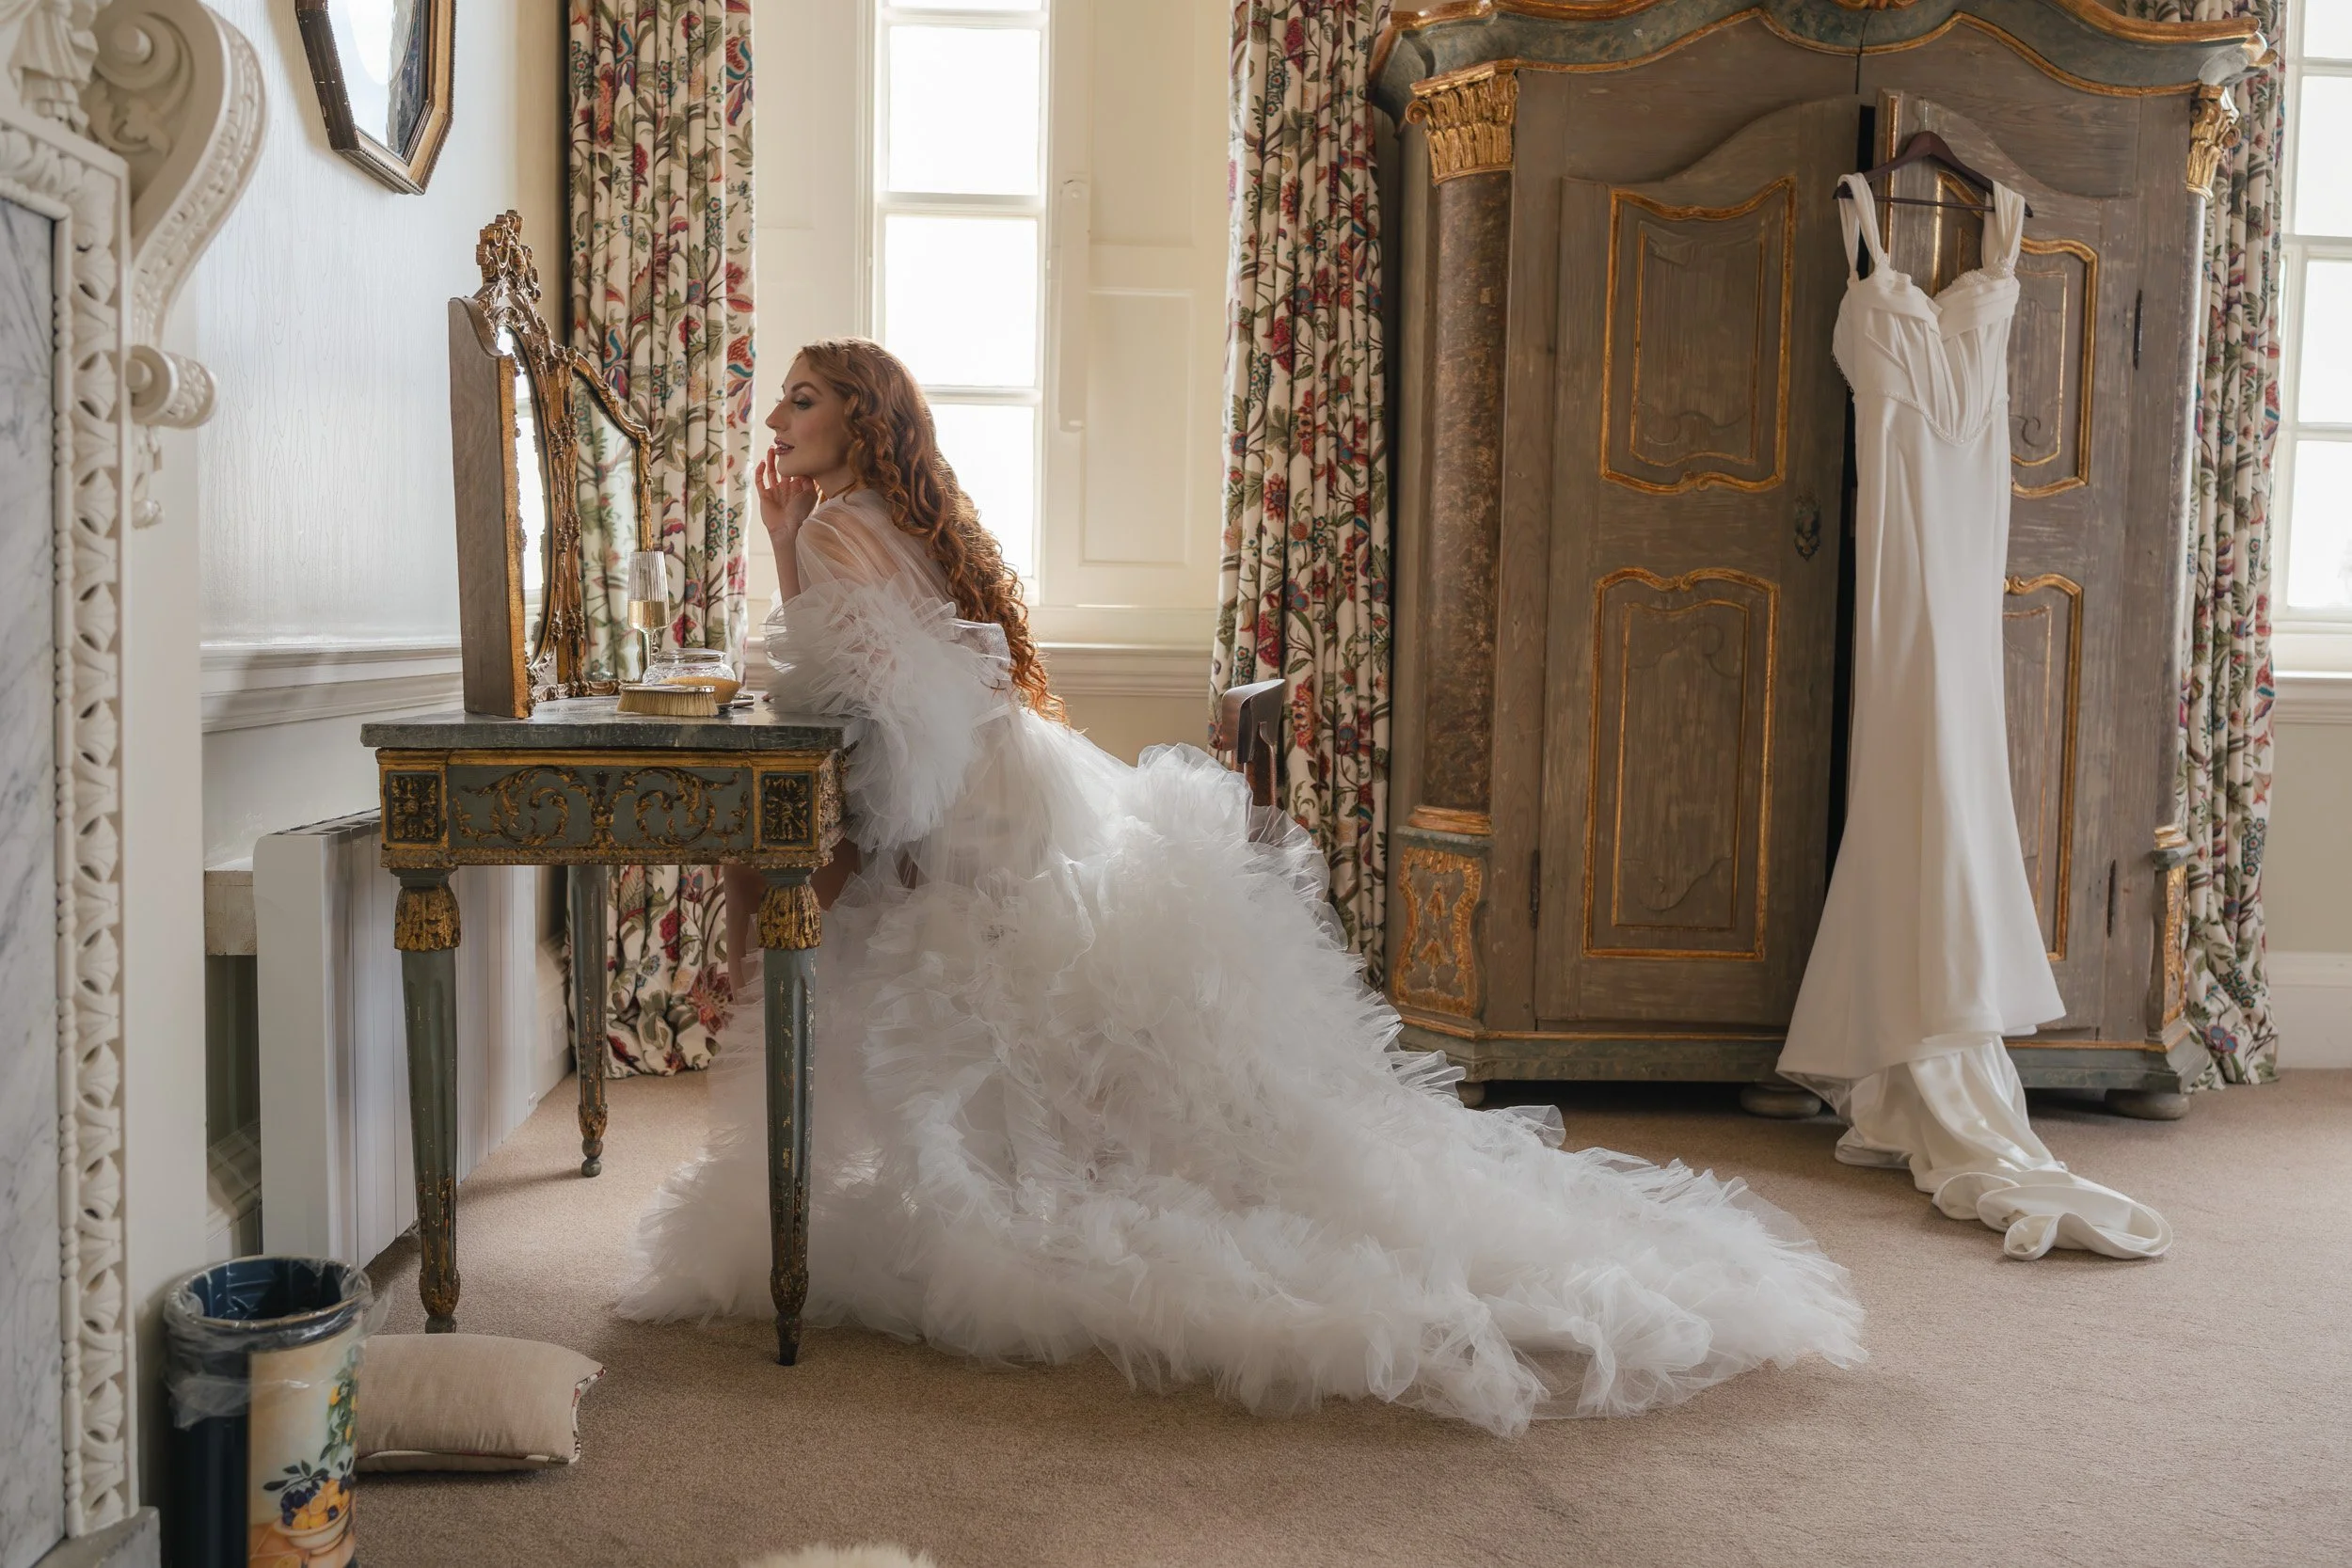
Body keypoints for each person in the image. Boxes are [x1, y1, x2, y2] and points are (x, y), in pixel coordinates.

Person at [617, 337, 1866, 1435]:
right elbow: (891, 670)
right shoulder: (881, 515)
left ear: (860, 420)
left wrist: (882, 788)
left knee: (951, 995)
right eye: (782, 401)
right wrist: (788, 550)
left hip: (972, 801)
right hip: (1015, 775)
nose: (778, 421)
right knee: (1024, 1006)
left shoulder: (839, 523)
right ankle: (1103, 1155)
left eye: (805, 400)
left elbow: (873, 696)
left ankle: (1053, 1181)